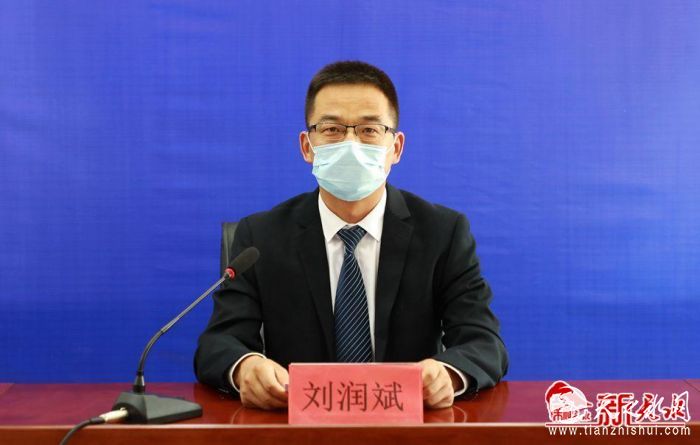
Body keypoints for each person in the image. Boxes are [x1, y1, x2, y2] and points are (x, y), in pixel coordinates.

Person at [194, 61, 508, 410]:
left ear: (396, 148)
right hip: (296, 424)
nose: (350, 143)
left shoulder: (443, 233)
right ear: (307, 146)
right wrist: (245, 367)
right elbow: (218, 344)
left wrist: (447, 373)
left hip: (408, 424)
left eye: (369, 130)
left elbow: (485, 343)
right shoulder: (261, 237)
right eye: (332, 129)